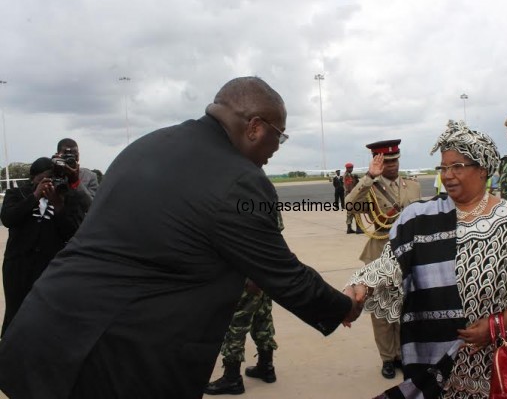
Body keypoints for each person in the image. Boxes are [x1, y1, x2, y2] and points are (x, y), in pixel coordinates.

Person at [0, 77, 360, 399]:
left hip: (42, 335)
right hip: (109, 361)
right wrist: (344, 306)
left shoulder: (146, 146)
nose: (278, 147)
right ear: (254, 127)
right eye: (278, 135)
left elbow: (157, 240)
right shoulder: (239, 179)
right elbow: (283, 275)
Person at [343, 120, 507, 398]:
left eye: (457, 166)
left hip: (497, 364)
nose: (447, 175)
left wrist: (498, 324)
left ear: (483, 169)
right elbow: (390, 264)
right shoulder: (419, 217)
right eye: (443, 167)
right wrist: (359, 287)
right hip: (435, 360)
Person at [345, 139, 421, 379]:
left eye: (395, 160)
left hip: (407, 254)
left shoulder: (413, 186)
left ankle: (403, 354)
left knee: (405, 307)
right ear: (378, 162)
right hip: (379, 254)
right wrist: (369, 177)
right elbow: (350, 205)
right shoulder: (370, 187)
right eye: (386, 162)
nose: (392, 166)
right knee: (381, 309)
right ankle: (388, 358)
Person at [0, 157, 90, 336]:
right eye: (45, 178)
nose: (50, 183)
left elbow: (72, 233)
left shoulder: (65, 197)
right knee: (16, 315)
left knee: (46, 317)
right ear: (34, 178)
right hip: (18, 267)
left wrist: (57, 205)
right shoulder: (16, 194)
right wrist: (35, 196)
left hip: (49, 267)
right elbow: (8, 219)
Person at [204, 212, 285, 396]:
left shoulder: (239, 195)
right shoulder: (264, 193)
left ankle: (232, 378)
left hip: (244, 271)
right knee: (262, 316)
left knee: (236, 324)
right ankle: (266, 367)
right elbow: (274, 234)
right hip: (265, 270)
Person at [343, 162, 361, 233]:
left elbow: (355, 184)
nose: (351, 169)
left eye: (352, 168)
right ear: (347, 168)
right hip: (351, 195)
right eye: (350, 168)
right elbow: (349, 186)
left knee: (350, 213)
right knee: (357, 211)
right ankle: (358, 228)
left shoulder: (350, 175)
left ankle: (349, 228)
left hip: (350, 196)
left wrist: (356, 179)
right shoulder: (347, 176)